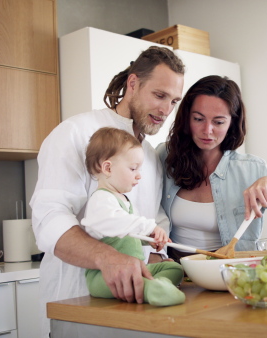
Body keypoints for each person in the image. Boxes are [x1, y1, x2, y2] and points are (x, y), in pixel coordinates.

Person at [30, 46, 184, 337]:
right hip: (75, 307)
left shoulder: (149, 157)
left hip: (133, 314)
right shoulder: (75, 132)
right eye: (159, 95)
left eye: (173, 101)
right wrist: (108, 258)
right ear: (133, 83)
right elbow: (49, 219)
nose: (166, 110)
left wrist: (164, 263)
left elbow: (149, 228)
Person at [156, 75, 267, 262]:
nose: (207, 130)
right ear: (186, 118)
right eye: (198, 119)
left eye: (219, 122)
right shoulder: (165, 157)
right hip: (173, 268)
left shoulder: (250, 169)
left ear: (232, 123)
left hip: (230, 270)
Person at [82, 127, 185, 306]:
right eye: (133, 168)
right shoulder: (101, 200)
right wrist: (149, 228)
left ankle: (159, 284)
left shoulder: (124, 201)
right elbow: (116, 223)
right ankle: (154, 289)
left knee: (174, 267)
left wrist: (148, 239)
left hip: (133, 270)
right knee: (137, 282)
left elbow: (129, 235)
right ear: (108, 168)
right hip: (104, 278)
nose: (139, 175)